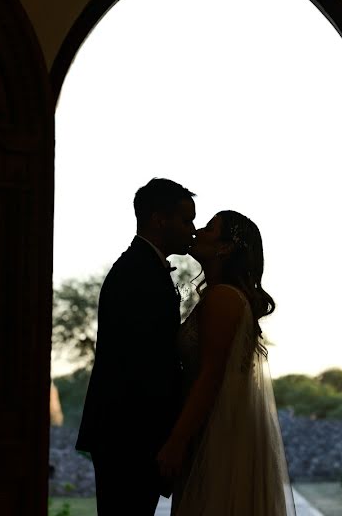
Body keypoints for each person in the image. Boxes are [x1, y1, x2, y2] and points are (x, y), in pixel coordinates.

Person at [158, 210, 296, 515]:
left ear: (225, 247)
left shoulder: (223, 298)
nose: (197, 232)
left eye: (208, 229)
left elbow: (211, 375)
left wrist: (177, 441)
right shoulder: (223, 297)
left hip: (214, 434)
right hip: (213, 428)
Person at [76, 178, 196, 514]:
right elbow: (146, 364)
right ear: (160, 219)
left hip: (129, 435)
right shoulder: (136, 273)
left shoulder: (146, 269)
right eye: (186, 220)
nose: (193, 229)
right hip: (128, 437)